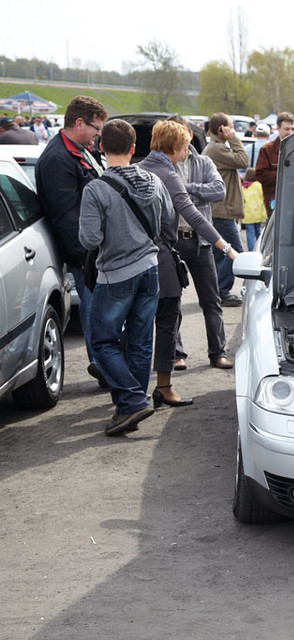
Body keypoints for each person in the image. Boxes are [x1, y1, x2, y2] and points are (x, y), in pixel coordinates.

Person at [78, 119, 175, 436]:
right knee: (140, 341)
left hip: (116, 275)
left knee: (103, 341)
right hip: (150, 269)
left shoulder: (96, 189)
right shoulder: (154, 181)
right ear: (135, 148)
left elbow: (89, 240)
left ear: (101, 147)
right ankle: (128, 408)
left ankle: (132, 401)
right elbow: (166, 224)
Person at [139, 121, 239, 407]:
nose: (186, 150)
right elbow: (193, 214)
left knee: (200, 302)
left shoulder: (151, 168)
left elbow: (217, 191)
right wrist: (228, 248)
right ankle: (164, 379)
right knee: (169, 312)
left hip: (184, 246)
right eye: (183, 145)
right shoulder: (166, 174)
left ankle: (213, 352)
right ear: (174, 147)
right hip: (167, 249)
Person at [35, 95, 108, 386]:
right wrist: (85, 255)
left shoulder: (80, 149)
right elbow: (66, 216)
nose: (97, 134)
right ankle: (103, 368)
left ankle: (106, 365)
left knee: (102, 314)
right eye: (95, 128)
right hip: (86, 254)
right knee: (95, 315)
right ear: (79, 123)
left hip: (94, 248)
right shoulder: (56, 159)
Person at [166, 116, 231, 373]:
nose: (180, 139)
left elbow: (219, 190)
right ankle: (176, 354)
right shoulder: (164, 165)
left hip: (202, 241)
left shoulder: (203, 161)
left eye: (182, 133)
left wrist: (186, 189)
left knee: (211, 301)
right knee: (172, 303)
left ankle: (218, 353)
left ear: (189, 135)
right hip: (173, 241)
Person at [203, 112, 249, 307]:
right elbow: (243, 161)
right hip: (222, 210)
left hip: (220, 209)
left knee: (217, 254)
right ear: (221, 129)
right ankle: (221, 291)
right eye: (230, 127)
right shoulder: (217, 149)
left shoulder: (217, 148)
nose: (233, 130)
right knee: (234, 251)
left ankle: (213, 292)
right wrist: (234, 139)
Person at [255, 111, 294, 217]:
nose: (290, 132)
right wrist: (285, 174)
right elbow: (261, 175)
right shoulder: (267, 149)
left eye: (293, 129)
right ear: (278, 128)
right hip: (275, 203)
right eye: (287, 129)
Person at [241, 168, 267, 250]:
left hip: (248, 214)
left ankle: (251, 250)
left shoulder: (243, 187)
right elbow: (264, 197)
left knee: (250, 233)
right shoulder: (258, 185)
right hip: (259, 213)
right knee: (258, 231)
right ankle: (260, 249)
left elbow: (241, 201)